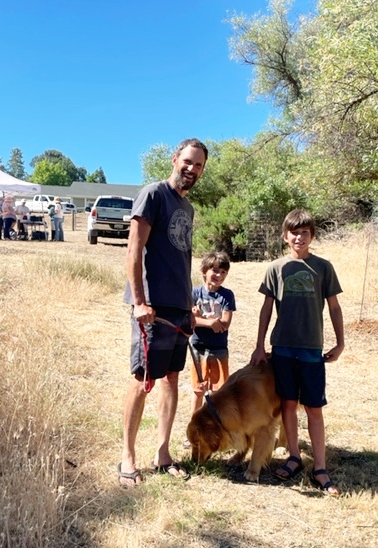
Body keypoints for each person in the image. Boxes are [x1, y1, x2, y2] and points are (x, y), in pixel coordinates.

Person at [118, 137, 208, 487]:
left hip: (179, 308)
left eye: (198, 165)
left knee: (171, 378)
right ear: (175, 159)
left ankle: (163, 451)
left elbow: (180, 258)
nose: (192, 169)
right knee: (144, 380)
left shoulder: (188, 209)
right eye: (187, 161)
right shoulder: (154, 194)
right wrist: (139, 302)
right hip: (152, 309)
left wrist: (189, 302)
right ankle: (127, 455)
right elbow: (134, 250)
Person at [250, 209, 344, 496]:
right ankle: (293, 456)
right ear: (285, 236)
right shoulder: (275, 268)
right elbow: (266, 309)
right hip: (283, 348)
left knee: (314, 408)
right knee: (288, 405)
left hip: (312, 349)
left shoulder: (324, 268)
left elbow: (335, 307)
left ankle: (320, 467)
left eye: (305, 233)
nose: (299, 237)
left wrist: (340, 343)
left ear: (311, 236)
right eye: (294, 232)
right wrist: (259, 345)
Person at [183, 251, 236, 448]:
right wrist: (208, 322)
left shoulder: (227, 295)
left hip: (219, 350)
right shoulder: (195, 293)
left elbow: (225, 323)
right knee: (198, 391)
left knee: (220, 392)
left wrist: (202, 321)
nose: (219, 275)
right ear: (204, 271)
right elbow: (189, 319)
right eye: (215, 271)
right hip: (198, 348)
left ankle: (220, 430)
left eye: (223, 272)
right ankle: (194, 428)